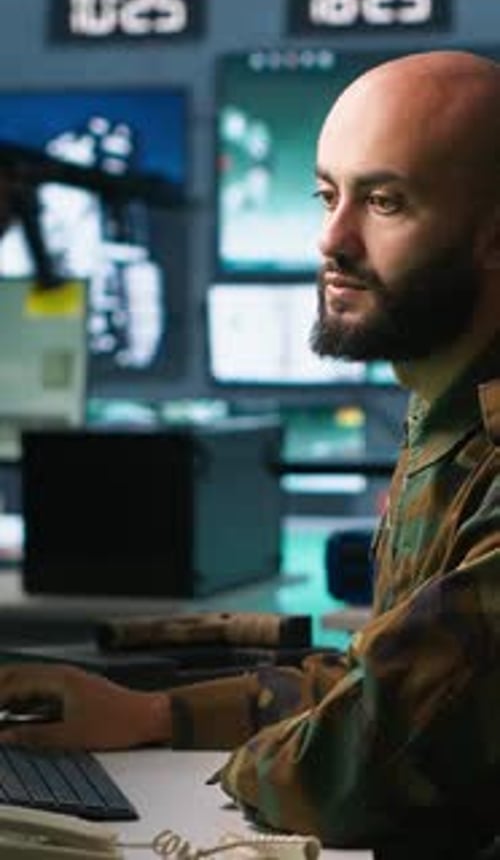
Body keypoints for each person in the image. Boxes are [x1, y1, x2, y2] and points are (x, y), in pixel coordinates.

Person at [1, 49, 500, 858]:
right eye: (327, 196)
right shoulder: (446, 419)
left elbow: (359, 770)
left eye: (383, 202)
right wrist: (152, 716)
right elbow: (387, 684)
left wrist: (237, 767)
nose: (331, 240)